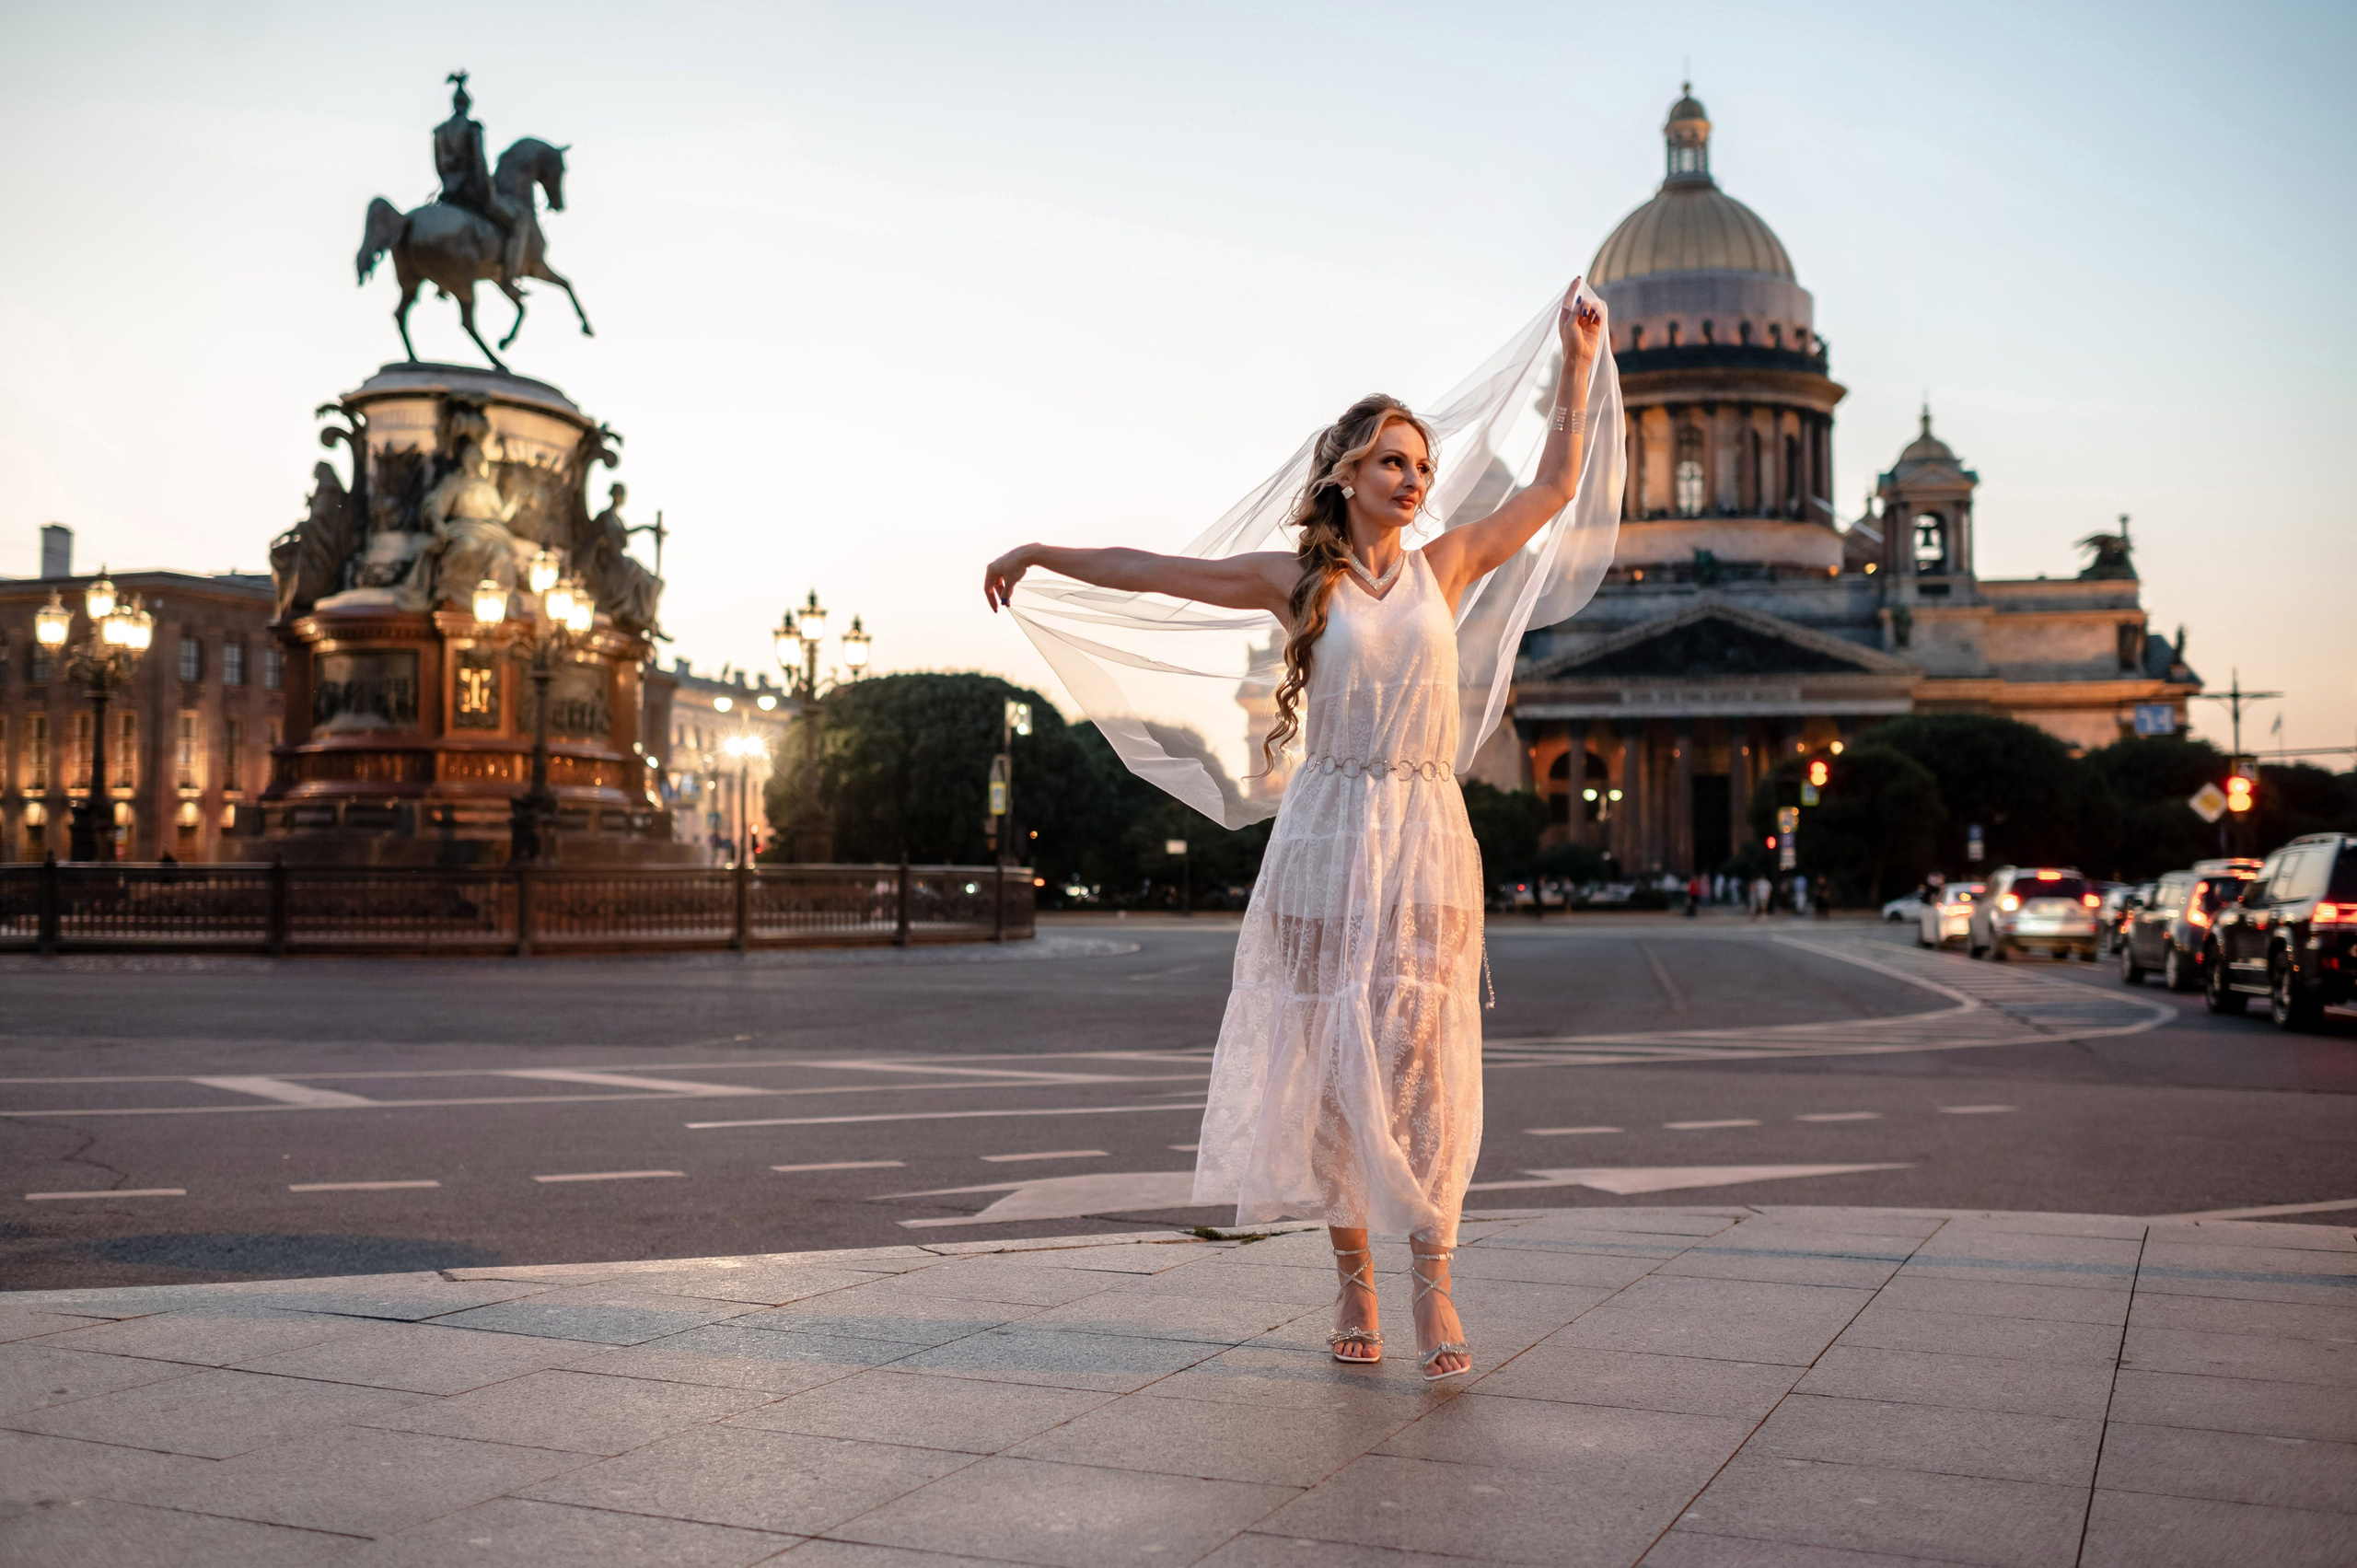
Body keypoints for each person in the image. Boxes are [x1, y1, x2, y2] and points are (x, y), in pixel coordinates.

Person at [985, 287, 1606, 1382]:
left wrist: (1576, 359)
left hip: (1422, 827)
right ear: (1343, 476)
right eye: (1391, 463)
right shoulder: (1298, 581)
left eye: (1419, 463)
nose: (1413, 481)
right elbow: (1159, 571)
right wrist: (1044, 550)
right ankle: (1354, 1277)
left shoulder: (1448, 562)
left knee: (1421, 1055)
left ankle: (1436, 1275)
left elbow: (1556, 485)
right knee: (1328, 1060)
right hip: (1327, 826)